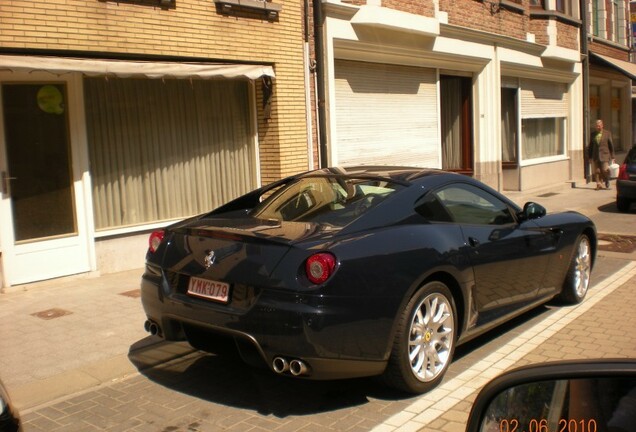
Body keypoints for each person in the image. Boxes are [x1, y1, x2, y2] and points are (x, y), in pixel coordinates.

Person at [588, 119, 615, 190]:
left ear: (602, 126)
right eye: (597, 126)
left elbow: (611, 145)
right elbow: (590, 146)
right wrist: (590, 157)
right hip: (595, 155)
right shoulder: (593, 134)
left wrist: (612, 156)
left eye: (599, 126)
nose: (598, 127)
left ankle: (607, 179)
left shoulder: (607, 133)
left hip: (604, 155)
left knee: (605, 170)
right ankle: (598, 184)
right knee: (597, 171)